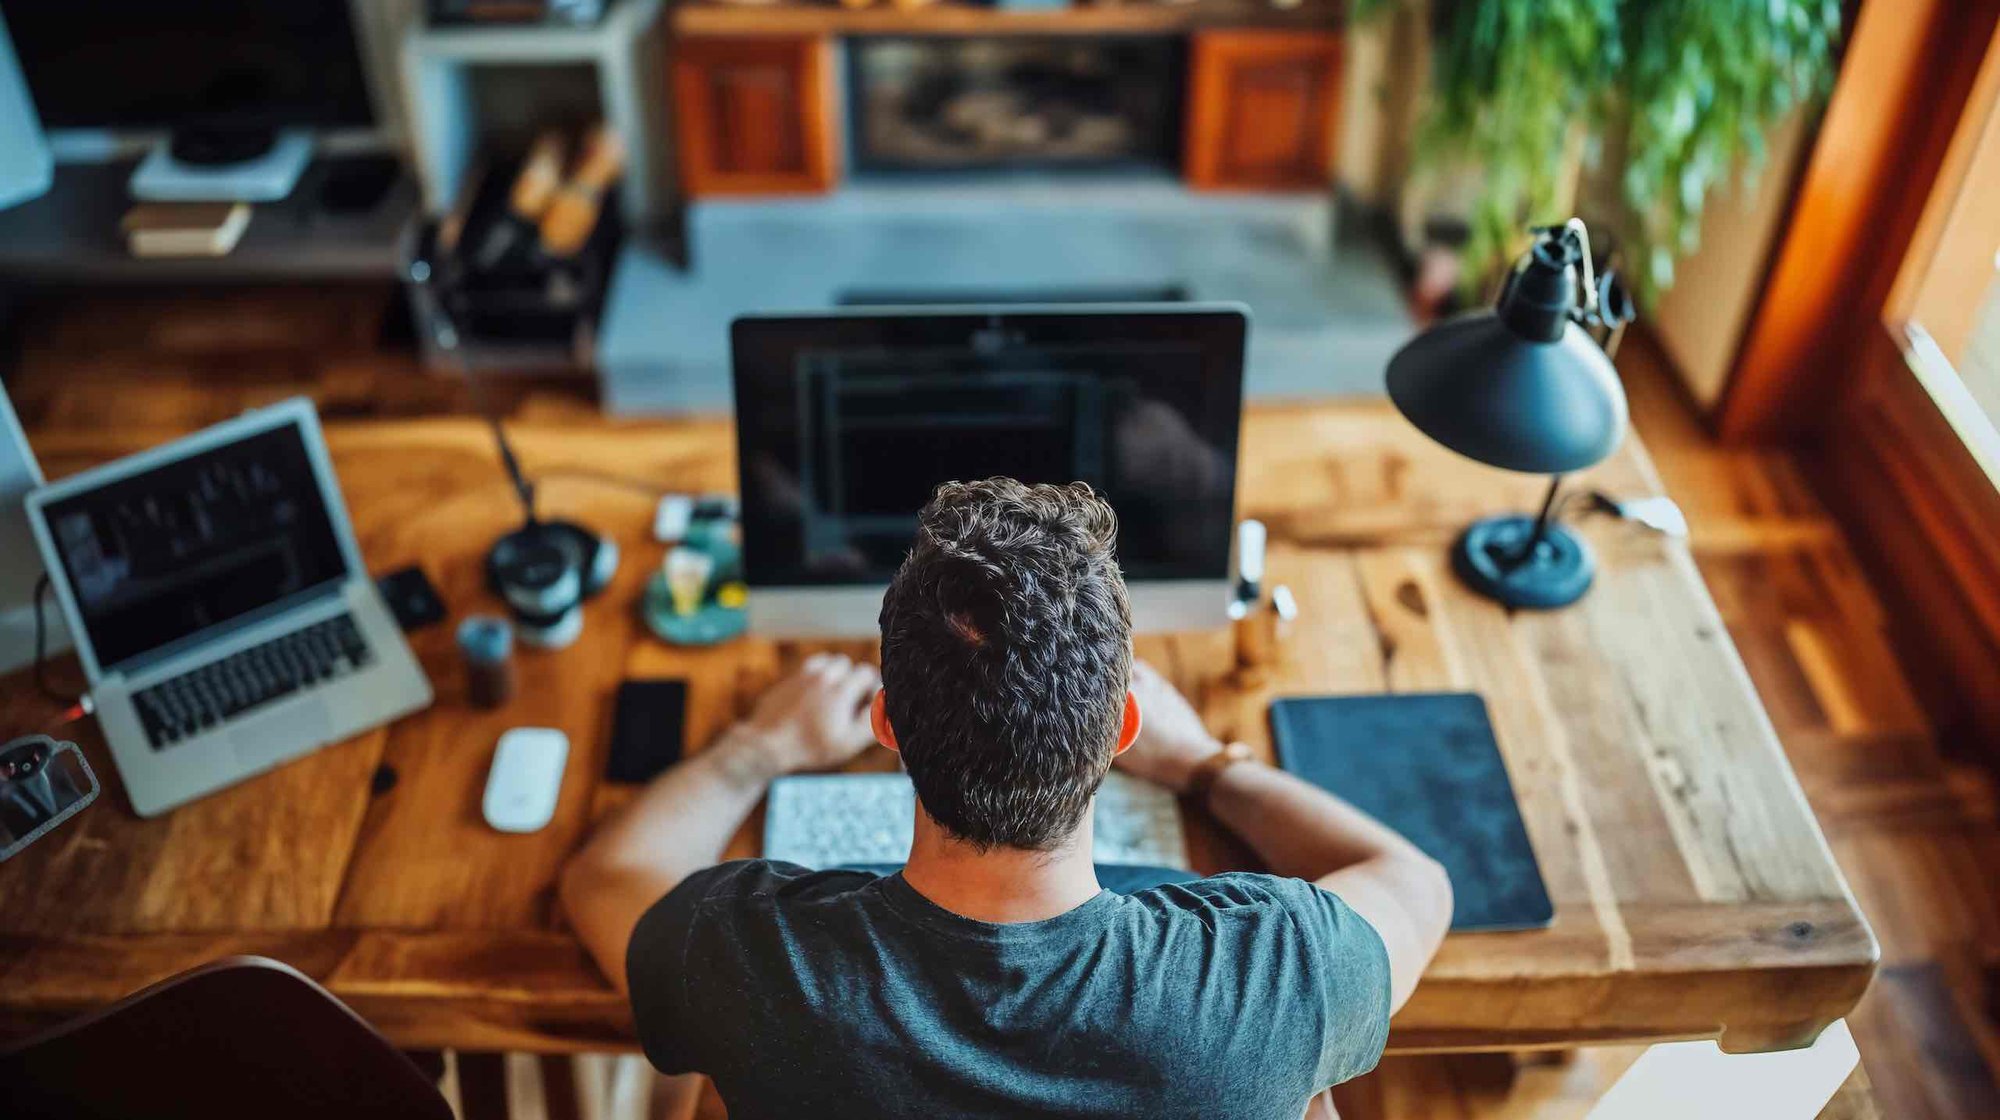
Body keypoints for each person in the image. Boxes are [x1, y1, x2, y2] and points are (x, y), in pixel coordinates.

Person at [561, 479, 1453, 1118]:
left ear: (887, 724)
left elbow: (607, 878)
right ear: (1123, 728)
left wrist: (755, 748)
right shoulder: (1275, 973)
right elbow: (1414, 883)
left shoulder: (753, 963)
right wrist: (1206, 768)